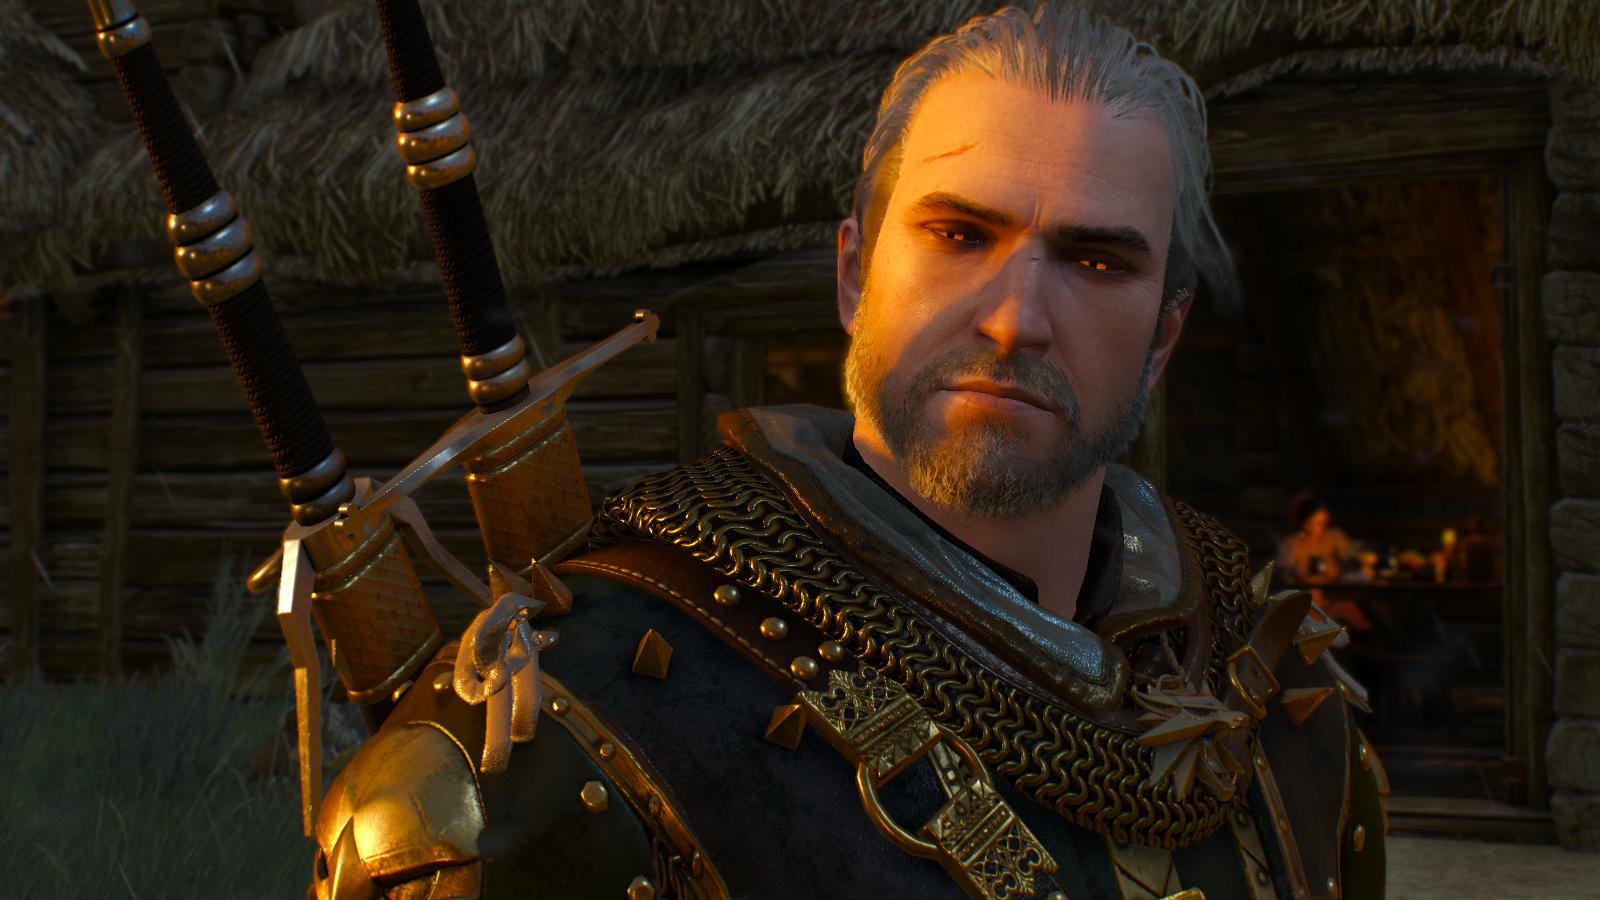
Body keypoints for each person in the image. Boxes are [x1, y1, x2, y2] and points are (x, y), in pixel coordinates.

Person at [309, 7, 1387, 899]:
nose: (1016, 319)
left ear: (1162, 341)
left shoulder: (1274, 685)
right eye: (959, 235)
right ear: (853, 274)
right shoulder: (567, 732)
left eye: (1096, 261)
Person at [1278, 496, 1373, 632]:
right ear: (1306, 523)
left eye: (1325, 523)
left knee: (1354, 614)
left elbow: (1352, 554)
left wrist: (1364, 559)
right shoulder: (1292, 544)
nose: (1323, 527)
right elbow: (1283, 570)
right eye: (1318, 523)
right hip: (1305, 602)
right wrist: (1294, 572)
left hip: (1331, 596)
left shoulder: (1332, 537)